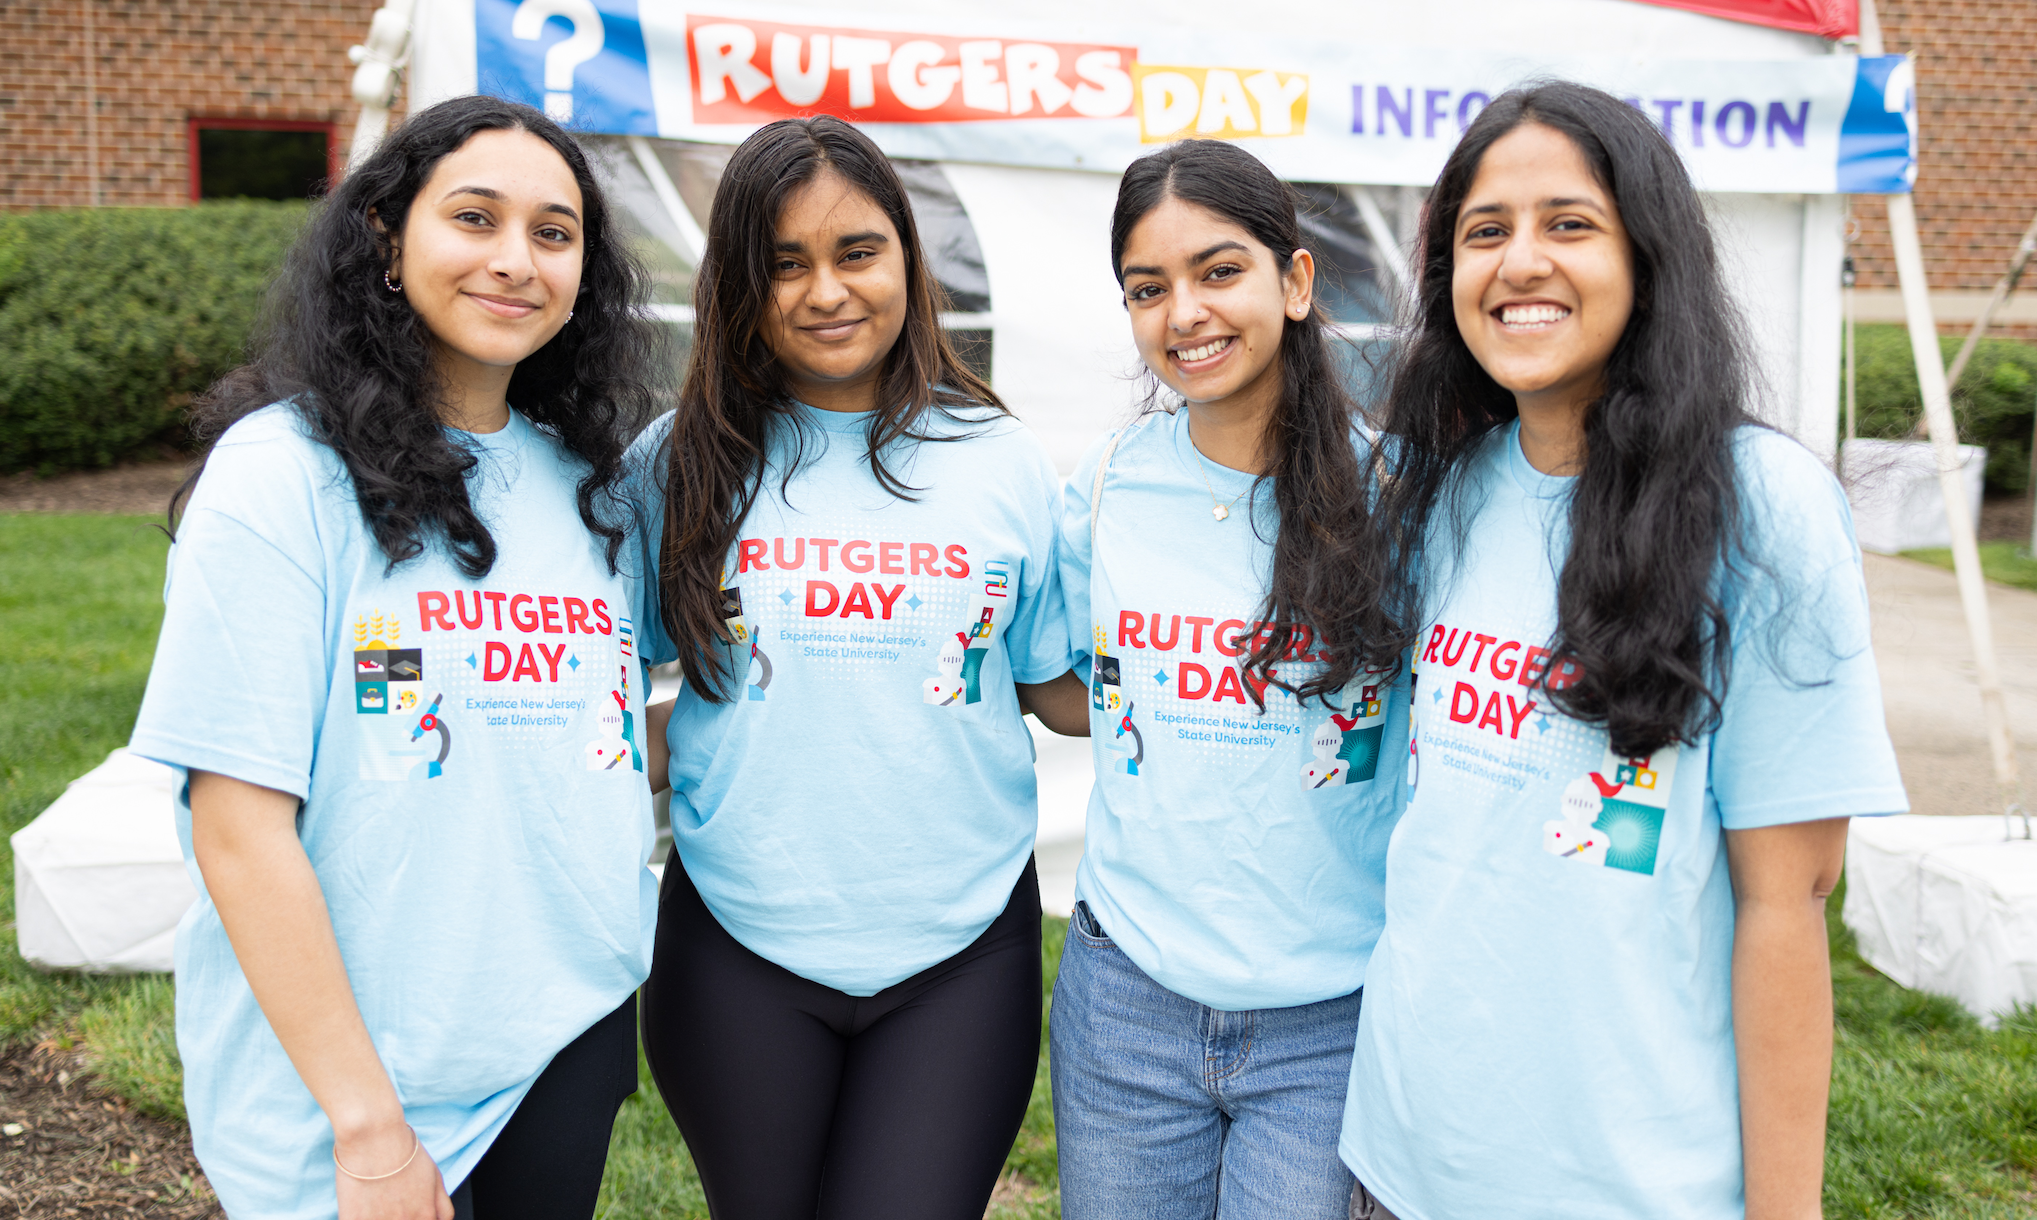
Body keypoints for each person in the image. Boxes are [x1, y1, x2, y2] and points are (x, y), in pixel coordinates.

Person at [1340, 81, 1908, 1220]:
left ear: (1648, 255)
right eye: (1484, 232)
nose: (1520, 262)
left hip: (1626, 1187)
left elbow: (1788, 904)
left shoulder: (1765, 509)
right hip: (1398, 1161)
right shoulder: (1438, 495)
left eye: (1569, 224)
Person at [128, 96, 662, 1220]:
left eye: (554, 234)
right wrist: (365, 1124)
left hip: (560, 1038)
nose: (516, 260)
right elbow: (236, 825)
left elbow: (595, 730)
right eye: (475, 218)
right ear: (385, 235)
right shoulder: (280, 476)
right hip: (351, 1086)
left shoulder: (595, 487)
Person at [627, 114, 1070, 1220]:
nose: (826, 291)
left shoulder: (1003, 460)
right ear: (738, 286)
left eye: (856, 252)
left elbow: (1060, 686)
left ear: (907, 261)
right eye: (785, 264)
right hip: (737, 942)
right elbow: (590, 691)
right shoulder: (678, 460)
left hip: (960, 954)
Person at [1021, 137, 1404, 1220]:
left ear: (1294, 280)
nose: (1184, 312)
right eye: (1150, 289)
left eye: (1219, 271)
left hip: (1331, 1018)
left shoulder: (1402, 500)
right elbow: (1072, 691)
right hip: (1125, 1004)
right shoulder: (1106, 483)